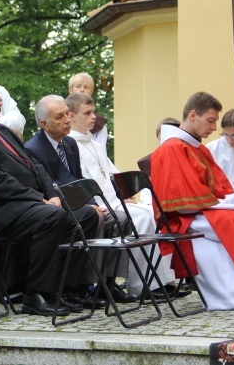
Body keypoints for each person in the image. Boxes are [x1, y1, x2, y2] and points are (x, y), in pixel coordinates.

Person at [0, 77, 100, 316]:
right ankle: (37, 295)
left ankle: (66, 289)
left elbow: (35, 165)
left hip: (24, 206)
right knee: (51, 217)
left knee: (87, 216)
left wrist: (53, 194)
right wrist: (38, 199)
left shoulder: (2, 131)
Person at [151, 91, 234, 310]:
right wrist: (233, 203)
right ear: (193, 115)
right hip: (186, 219)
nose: (215, 128)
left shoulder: (194, 147)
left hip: (203, 212)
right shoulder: (172, 149)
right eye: (211, 121)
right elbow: (183, 203)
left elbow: (216, 188)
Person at [24, 94, 136, 306]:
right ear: (44, 124)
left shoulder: (69, 144)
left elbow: (78, 180)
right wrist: (88, 207)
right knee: (94, 219)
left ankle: (109, 285)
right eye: (60, 117)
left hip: (80, 203)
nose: (67, 119)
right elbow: (53, 186)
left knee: (121, 219)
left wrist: (95, 203)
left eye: (67, 114)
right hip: (57, 207)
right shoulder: (33, 149)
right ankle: (79, 286)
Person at [66, 93, 178, 298]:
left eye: (94, 112)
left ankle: (165, 280)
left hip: (114, 201)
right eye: (87, 113)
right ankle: (142, 286)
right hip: (100, 204)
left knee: (151, 212)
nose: (94, 117)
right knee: (142, 218)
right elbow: (81, 181)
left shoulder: (96, 145)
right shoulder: (69, 144)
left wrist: (123, 193)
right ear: (71, 116)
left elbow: (111, 174)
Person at [68, 72, 108, 158]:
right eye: (78, 86)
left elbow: (101, 153)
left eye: (86, 87)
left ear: (91, 92)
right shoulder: (61, 117)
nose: (82, 90)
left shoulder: (98, 124)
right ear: (70, 90)